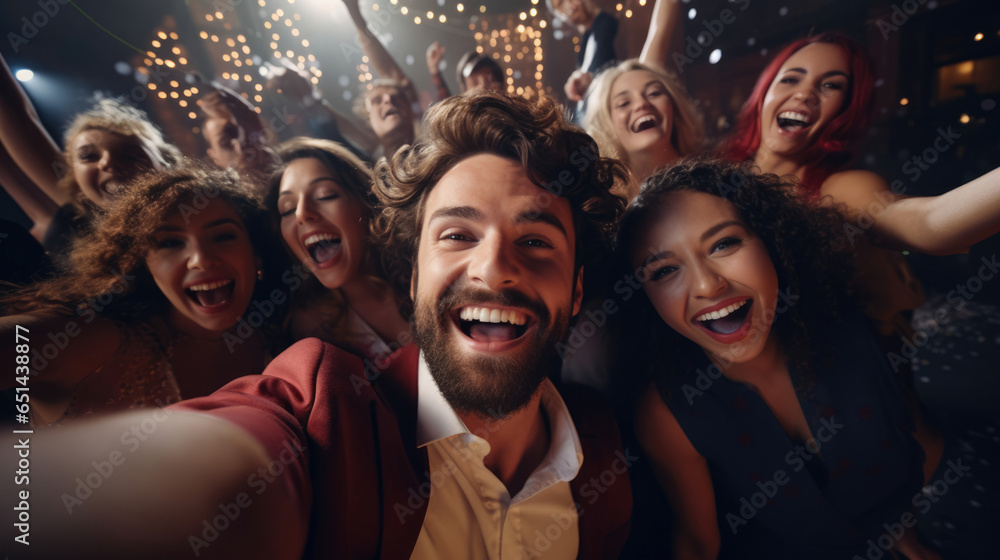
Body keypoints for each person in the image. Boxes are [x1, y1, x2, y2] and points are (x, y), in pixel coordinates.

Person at [22, 91, 633, 559]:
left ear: (576, 290)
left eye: (535, 240)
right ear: (414, 276)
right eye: (456, 234)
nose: (495, 266)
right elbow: (243, 455)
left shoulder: (604, 443)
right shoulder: (325, 406)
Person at [618, 158, 943, 558]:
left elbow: (919, 444)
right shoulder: (665, 413)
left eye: (724, 244)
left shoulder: (849, 321)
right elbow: (699, 542)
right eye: (664, 270)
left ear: (773, 242)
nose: (707, 285)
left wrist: (901, 534)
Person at [0, 163, 281, 426]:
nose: (201, 260)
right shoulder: (89, 339)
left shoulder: (279, 333)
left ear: (256, 254)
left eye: (222, 236)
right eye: (170, 242)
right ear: (141, 263)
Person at [0, 52, 181, 262]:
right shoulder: (73, 220)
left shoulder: (197, 215)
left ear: (168, 165)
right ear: (74, 176)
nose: (107, 162)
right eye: (88, 157)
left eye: (130, 155)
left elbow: (19, 117)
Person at [267, 137, 410, 364]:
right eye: (288, 209)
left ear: (366, 202)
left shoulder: (422, 272)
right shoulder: (310, 331)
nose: (302, 214)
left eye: (325, 195)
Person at [342, 0, 419, 158]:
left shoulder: (438, 151)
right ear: (368, 116)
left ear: (412, 109)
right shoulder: (365, 174)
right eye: (377, 100)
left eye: (398, 97)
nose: (388, 100)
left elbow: (391, 72)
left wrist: (356, 14)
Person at [547, 0, 620, 123]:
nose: (567, 6)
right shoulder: (588, 36)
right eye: (560, 5)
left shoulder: (607, 23)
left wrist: (587, 77)